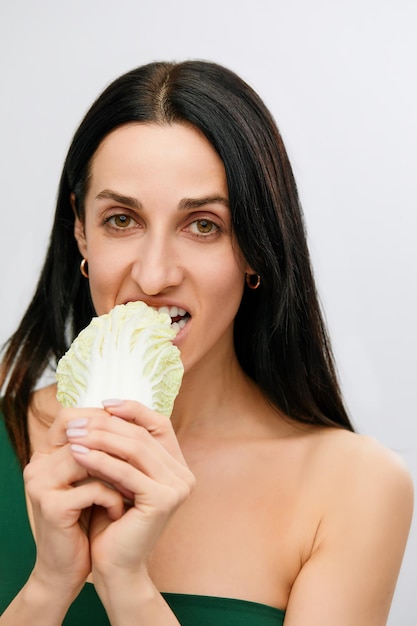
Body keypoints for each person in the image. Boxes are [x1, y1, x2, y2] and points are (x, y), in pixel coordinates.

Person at [0, 60, 413, 626]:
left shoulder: (355, 488)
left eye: (203, 225)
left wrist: (128, 585)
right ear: (80, 231)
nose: (154, 274)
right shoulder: (9, 441)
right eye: (122, 219)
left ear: (255, 250)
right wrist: (49, 586)